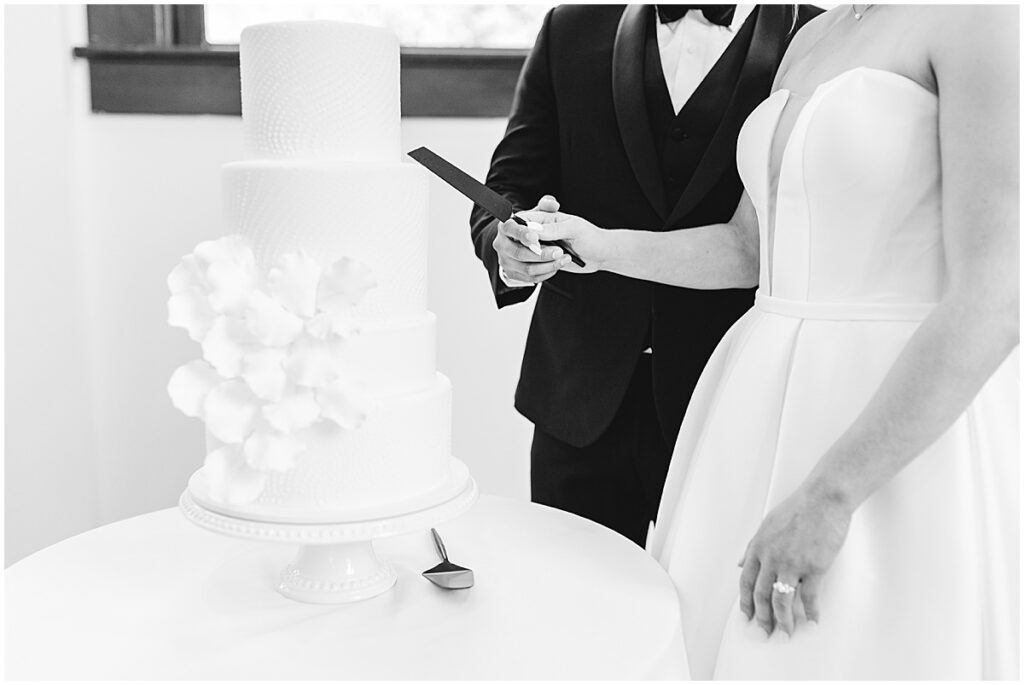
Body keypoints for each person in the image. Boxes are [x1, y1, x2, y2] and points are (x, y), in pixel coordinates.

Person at [519, 4, 1019, 679]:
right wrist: (602, 246)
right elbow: (751, 247)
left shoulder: (981, 19)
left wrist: (831, 496)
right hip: (753, 412)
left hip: (882, 421)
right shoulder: (812, 36)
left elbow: (996, 298)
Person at [469, 4, 822, 548]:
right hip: (579, 397)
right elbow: (508, 186)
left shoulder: (814, 35)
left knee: (711, 617)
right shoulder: (570, 27)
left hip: (731, 400)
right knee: (578, 606)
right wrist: (508, 245)